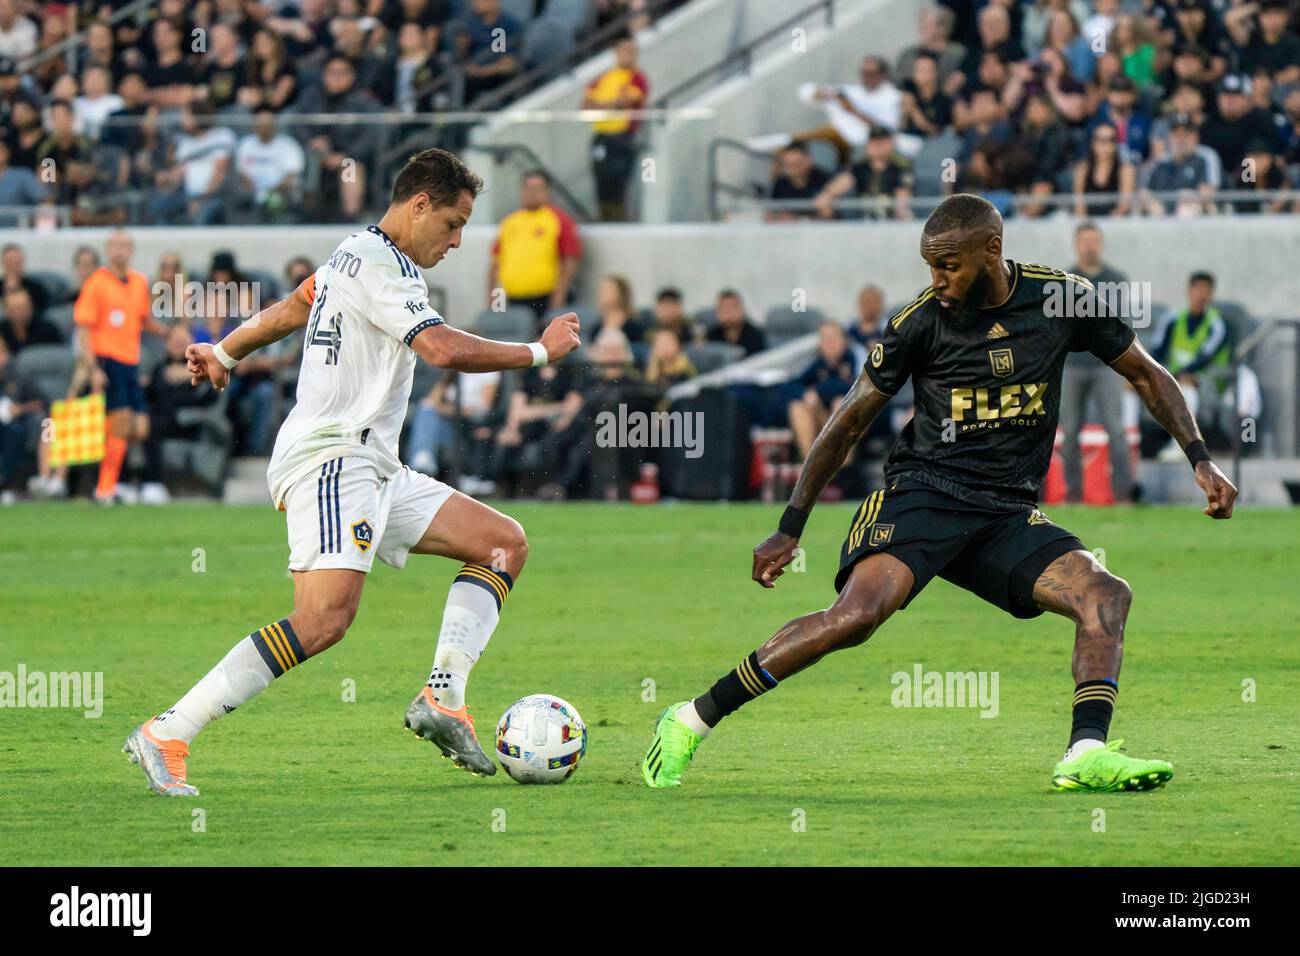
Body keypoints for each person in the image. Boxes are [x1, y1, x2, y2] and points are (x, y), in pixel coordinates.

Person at [641, 193, 1237, 793]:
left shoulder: (1062, 300)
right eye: (931, 266)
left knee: (1105, 594)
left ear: (992, 251)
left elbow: (1145, 373)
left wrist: (1201, 459)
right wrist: (789, 527)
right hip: (923, 494)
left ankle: (1085, 752)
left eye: (949, 265)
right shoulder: (919, 323)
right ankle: (690, 718)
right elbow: (845, 423)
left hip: (1004, 511)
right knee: (856, 617)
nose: (938, 280)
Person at [124, 149, 582, 795]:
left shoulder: (353, 251)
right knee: (322, 622)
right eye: (452, 223)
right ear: (419, 203)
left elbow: (290, 309)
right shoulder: (380, 264)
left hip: (373, 462)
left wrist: (225, 350)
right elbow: (442, 348)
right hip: (333, 458)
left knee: (502, 542)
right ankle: (168, 732)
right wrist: (540, 351)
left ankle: (442, 698)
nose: (457, 240)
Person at [72, 229, 167, 505]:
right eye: (114, 246)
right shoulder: (97, 283)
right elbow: (84, 327)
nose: (119, 251)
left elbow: (143, 320)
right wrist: (93, 368)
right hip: (107, 359)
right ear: (108, 249)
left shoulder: (138, 282)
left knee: (139, 427)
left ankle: (116, 480)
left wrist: (168, 333)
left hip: (130, 362)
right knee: (122, 422)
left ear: (131, 250)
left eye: (124, 246)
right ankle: (105, 487)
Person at [1060, 222, 1134, 503]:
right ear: (1076, 244)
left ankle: (1123, 493)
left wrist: (1128, 370)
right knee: (1069, 433)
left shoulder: (1116, 279)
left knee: (1116, 430)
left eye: (1094, 240)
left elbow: (1122, 327)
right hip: (1072, 366)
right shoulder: (1064, 279)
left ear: (1100, 244)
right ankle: (1073, 494)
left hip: (1107, 366)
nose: (1090, 246)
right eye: (1084, 240)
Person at [1149, 270, 1230, 460]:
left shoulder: (1216, 325)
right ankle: (1130, 444)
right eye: (1198, 289)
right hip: (1174, 375)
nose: (1201, 295)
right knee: (1130, 384)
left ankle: (1182, 446)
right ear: (1189, 291)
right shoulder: (1173, 319)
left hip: (1208, 379)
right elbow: (1156, 352)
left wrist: (1175, 376)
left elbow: (1205, 358)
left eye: (1206, 291)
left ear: (1211, 295)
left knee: (1186, 384)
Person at [487, 170, 582, 321]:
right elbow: (496, 263)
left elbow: (570, 259)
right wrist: (493, 297)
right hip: (513, 297)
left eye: (537, 188)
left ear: (546, 191)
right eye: (528, 188)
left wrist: (560, 294)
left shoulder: (558, 219)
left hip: (546, 296)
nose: (532, 193)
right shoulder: (510, 222)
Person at [582, 33, 648, 222]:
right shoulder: (603, 78)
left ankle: (619, 220)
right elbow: (586, 105)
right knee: (601, 180)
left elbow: (626, 101)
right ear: (616, 53)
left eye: (631, 51)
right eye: (623, 51)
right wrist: (611, 104)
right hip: (601, 136)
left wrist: (602, 105)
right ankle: (604, 217)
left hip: (623, 137)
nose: (627, 55)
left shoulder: (637, 78)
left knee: (619, 182)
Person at [786, 320, 857, 461]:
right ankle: (809, 465)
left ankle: (842, 468)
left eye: (833, 338)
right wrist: (806, 394)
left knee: (840, 403)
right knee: (797, 407)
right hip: (824, 418)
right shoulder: (818, 363)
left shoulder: (855, 357)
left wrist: (817, 391)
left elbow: (855, 387)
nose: (829, 343)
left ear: (844, 340)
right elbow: (790, 385)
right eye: (824, 339)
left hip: (860, 419)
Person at [705, 289, 766, 356]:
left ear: (742, 309)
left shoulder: (756, 335)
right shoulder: (711, 337)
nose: (728, 312)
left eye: (733, 307)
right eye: (723, 308)